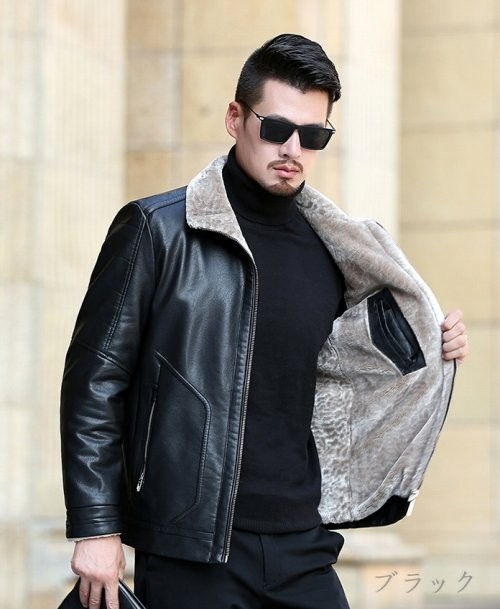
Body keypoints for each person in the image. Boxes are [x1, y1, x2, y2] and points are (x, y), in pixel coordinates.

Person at [60, 34, 469, 609]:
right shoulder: (157, 231)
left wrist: (434, 345)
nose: (293, 148)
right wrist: (96, 526)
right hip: (192, 549)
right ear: (235, 118)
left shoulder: (336, 250)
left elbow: (347, 378)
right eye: (276, 128)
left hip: (303, 544)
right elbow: (95, 382)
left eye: (313, 135)